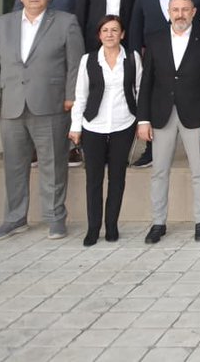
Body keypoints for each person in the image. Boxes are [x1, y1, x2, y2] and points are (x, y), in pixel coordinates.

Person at [0, 0, 84, 241]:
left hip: (51, 104)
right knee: (14, 166)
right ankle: (14, 218)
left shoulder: (65, 21)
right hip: (12, 105)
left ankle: (55, 218)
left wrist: (72, 96)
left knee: (53, 164)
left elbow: (76, 64)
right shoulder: (3, 24)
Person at [136, 0, 200, 244]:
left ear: (193, 12)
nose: (180, 14)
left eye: (185, 10)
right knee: (159, 172)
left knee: (199, 171)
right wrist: (143, 120)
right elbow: (146, 82)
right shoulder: (155, 41)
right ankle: (158, 223)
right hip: (161, 116)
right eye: (175, 9)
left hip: (196, 116)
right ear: (168, 12)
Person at [128, 0, 200, 168]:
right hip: (155, 55)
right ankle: (150, 151)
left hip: (190, 55)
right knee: (157, 102)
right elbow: (136, 21)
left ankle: (193, 149)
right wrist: (136, 52)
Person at [15, 0, 89, 168]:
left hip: (69, 38)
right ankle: (37, 147)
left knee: (71, 91)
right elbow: (19, 7)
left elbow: (86, 7)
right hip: (36, 43)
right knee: (39, 92)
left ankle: (71, 146)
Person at [68, 15, 140, 246]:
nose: (110, 34)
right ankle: (93, 228)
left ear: (122, 34)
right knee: (94, 179)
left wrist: (141, 121)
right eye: (105, 30)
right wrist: (75, 126)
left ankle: (112, 226)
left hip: (124, 123)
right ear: (99, 35)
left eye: (114, 30)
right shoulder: (88, 60)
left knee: (117, 178)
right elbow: (81, 95)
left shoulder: (132, 58)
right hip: (93, 125)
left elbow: (139, 89)